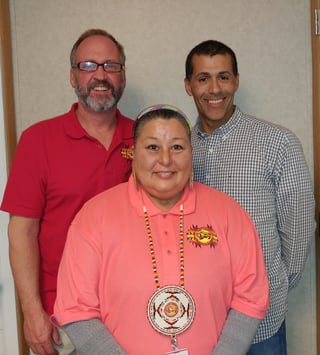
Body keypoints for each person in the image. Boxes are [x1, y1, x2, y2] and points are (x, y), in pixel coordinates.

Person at [52, 104, 269, 355]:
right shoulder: (94, 216)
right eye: (152, 147)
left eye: (177, 147)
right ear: (133, 153)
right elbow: (77, 310)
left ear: (191, 152)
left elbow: (250, 296)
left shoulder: (229, 213)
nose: (165, 160)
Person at [0, 28, 134, 355]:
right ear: (73, 76)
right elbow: (22, 231)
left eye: (111, 66)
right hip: (61, 318)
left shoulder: (145, 138)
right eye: (88, 65)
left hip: (133, 312)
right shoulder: (38, 140)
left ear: (123, 76)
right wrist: (32, 312)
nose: (100, 75)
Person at [184, 40, 315, 355]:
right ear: (188, 86)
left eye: (224, 77)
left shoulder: (277, 143)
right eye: (203, 78)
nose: (215, 88)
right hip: (197, 322)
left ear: (236, 81)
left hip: (260, 324)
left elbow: (298, 234)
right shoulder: (177, 148)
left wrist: (271, 286)